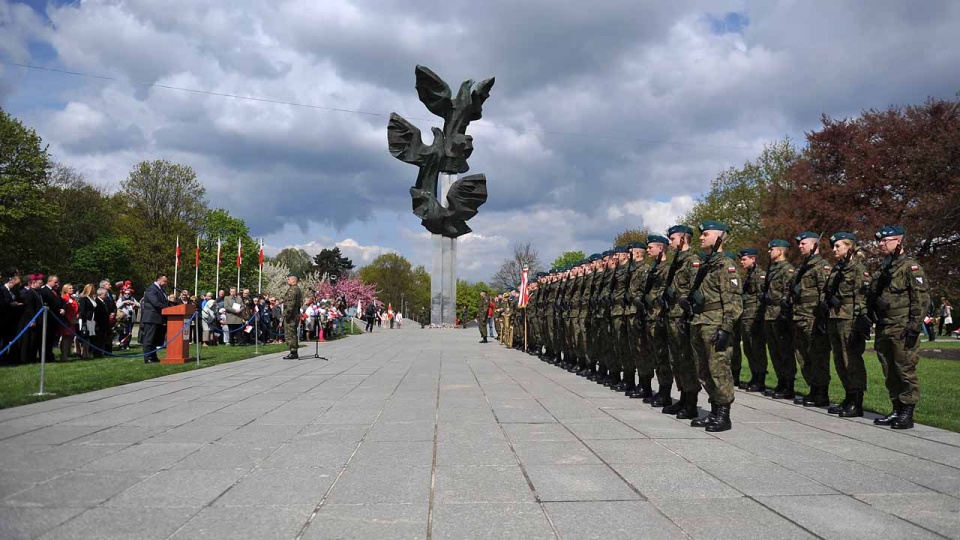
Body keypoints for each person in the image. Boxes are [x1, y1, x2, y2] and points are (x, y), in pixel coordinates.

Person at [870, 225, 929, 430]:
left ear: (899, 241)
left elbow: (921, 299)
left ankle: (907, 412)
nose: (881, 244)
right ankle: (896, 408)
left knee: (905, 369)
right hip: (885, 325)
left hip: (902, 327)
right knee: (889, 370)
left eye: (885, 240)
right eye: (880, 241)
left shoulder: (910, 267)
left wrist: (914, 326)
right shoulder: (884, 268)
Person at [686, 221, 742, 432]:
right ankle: (714, 410)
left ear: (720, 237)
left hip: (716, 323)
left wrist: (726, 328)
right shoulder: (706, 265)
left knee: (719, 370)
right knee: (704, 371)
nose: (701, 237)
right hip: (700, 322)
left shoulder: (726, 265)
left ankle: (724, 415)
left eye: (705, 234)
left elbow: (734, 302)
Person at [824, 232, 869, 418]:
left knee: (850, 359)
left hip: (849, 318)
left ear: (849, 247)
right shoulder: (838, 268)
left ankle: (856, 401)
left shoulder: (858, 268)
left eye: (838, 246)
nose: (834, 249)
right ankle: (848, 396)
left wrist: (861, 320)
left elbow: (862, 296)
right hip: (835, 317)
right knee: (839, 360)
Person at [789, 231, 833, 407]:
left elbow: (825, 292)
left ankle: (821, 392)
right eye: (799, 243)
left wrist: (822, 318)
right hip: (799, 316)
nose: (800, 246)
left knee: (818, 355)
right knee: (803, 355)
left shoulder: (821, 267)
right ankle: (813, 388)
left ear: (815, 245)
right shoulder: (801, 268)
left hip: (813, 318)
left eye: (803, 243)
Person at [738, 248, 768, 393]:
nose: (741, 262)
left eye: (744, 259)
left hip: (754, 316)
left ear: (753, 259)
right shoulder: (747, 276)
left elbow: (761, 299)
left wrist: (759, 318)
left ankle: (760, 378)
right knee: (749, 349)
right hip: (746, 315)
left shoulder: (760, 276)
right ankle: (754, 375)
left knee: (757, 348)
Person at [141, 274, 171, 364]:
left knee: (155, 339)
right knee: (149, 339)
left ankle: (153, 356)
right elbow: (156, 303)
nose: (165, 283)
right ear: (158, 279)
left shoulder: (161, 290)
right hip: (151, 318)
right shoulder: (151, 289)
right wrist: (167, 308)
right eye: (164, 281)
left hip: (158, 318)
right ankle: (148, 357)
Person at [18, 273, 45, 364]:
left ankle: (32, 357)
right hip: (30, 320)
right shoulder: (29, 293)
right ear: (34, 282)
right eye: (40, 284)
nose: (41, 286)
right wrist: (32, 320)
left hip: (37, 319)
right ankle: (26, 359)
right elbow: (29, 308)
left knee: (34, 340)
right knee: (28, 340)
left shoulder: (38, 292)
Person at [0, 268, 23, 364]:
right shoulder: (2, 290)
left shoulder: (12, 291)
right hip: (3, 319)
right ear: (11, 281)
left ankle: (5, 357)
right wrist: (10, 304)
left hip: (10, 320)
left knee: (7, 340)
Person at [282, 273, 304, 359]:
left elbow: (290, 304)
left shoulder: (292, 290)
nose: (288, 280)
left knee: (290, 333)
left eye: (289, 279)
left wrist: (287, 314)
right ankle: (293, 351)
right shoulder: (297, 289)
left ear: (294, 280)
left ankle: (293, 351)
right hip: (295, 315)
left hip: (291, 316)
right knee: (292, 333)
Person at [59, 283, 79, 362]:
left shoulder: (72, 298)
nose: (72, 289)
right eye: (70, 288)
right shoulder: (64, 298)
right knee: (66, 338)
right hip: (67, 321)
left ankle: (67, 353)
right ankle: (64, 355)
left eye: (72, 288)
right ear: (65, 289)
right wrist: (69, 319)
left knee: (70, 338)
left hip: (73, 320)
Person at [77, 284, 97, 359]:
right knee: (84, 336)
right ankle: (83, 353)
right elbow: (82, 310)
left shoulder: (91, 298)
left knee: (89, 336)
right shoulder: (84, 298)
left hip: (92, 320)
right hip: (86, 320)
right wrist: (84, 321)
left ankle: (87, 352)